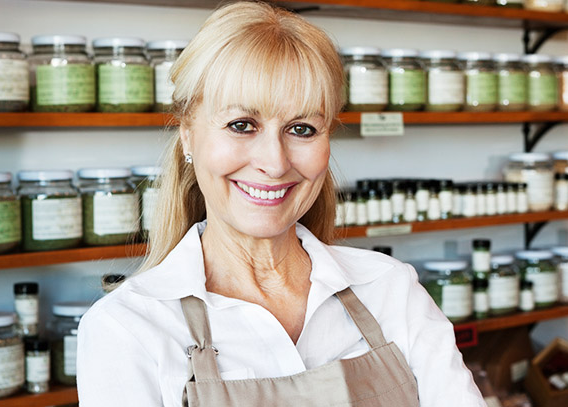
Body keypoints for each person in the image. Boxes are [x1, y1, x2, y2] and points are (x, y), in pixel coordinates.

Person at [77, 2, 486, 406]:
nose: (274, 163)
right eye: (242, 125)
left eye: (302, 129)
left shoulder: (392, 291)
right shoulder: (126, 329)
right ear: (188, 135)